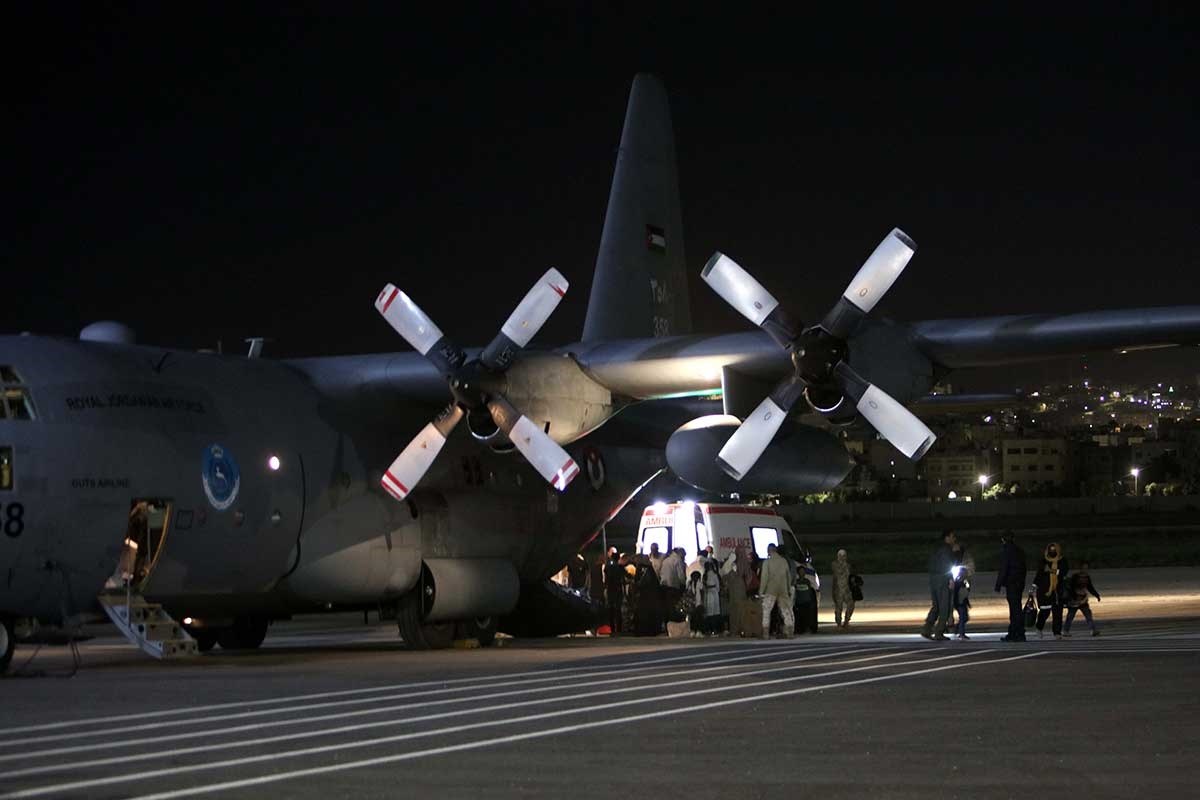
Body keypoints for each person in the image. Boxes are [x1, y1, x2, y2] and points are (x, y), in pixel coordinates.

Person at [921, 530, 956, 640]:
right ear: (947, 537)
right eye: (952, 537)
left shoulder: (936, 549)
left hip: (933, 579)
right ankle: (939, 632)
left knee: (935, 606)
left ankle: (927, 628)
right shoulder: (947, 549)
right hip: (943, 580)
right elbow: (947, 565)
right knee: (944, 607)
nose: (954, 539)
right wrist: (950, 579)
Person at [994, 531, 1028, 642]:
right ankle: (1016, 632)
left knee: (1014, 610)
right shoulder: (1019, 551)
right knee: (1016, 608)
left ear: (1003, 540)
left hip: (1012, 583)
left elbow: (1004, 568)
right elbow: (1024, 568)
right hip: (1019, 583)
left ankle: (1016, 633)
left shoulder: (1006, 551)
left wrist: (998, 584)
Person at [1033, 542, 1069, 639]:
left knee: (1057, 612)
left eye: (1054, 550)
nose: (1052, 551)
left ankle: (1057, 632)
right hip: (1044, 590)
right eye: (1051, 550)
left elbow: (1063, 572)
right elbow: (1040, 573)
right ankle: (1039, 628)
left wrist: (1051, 571)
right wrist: (1034, 585)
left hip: (1058, 589)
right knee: (1045, 611)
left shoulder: (1062, 561)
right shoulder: (1043, 560)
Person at [759, 543, 795, 639]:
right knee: (786, 611)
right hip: (783, 589)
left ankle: (765, 634)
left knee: (766, 611)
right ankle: (790, 632)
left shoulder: (767, 562)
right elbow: (788, 576)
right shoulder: (784, 561)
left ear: (769, 550)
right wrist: (788, 589)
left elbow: (764, 577)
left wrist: (761, 591)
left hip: (771, 590)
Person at [1063, 561, 1101, 637]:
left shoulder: (1087, 577)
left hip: (1083, 599)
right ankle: (1065, 631)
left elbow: (1090, 587)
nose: (1085, 569)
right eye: (1084, 568)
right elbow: (1070, 588)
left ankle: (1093, 630)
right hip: (1074, 600)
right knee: (1070, 616)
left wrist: (1096, 595)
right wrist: (1073, 599)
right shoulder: (1075, 576)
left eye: (1086, 568)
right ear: (1080, 568)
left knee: (1088, 615)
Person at [950, 541, 975, 640]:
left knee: (964, 617)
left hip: (961, 598)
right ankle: (961, 632)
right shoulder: (959, 578)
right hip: (959, 599)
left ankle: (958, 630)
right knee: (963, 616)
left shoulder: (962, 562)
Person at [831, 549, 855, 630]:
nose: (842, 557)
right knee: (838, 607)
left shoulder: (848, 565)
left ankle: (846, 621)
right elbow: (835, 576)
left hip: (847, 589)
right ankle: (838, 623)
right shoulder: (835, 564)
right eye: (841, 556)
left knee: (851, 605)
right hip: (838, 589)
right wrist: (833, 590)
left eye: (844, 555)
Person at [603, 547, 624, 635]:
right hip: (618, 589)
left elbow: (606, 576)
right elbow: (625, 575)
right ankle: (619, 629)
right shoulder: (619, 567)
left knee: (611, 609)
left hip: (610, 589)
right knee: (618, 609)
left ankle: (612, 628)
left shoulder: (608, 566)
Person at [702, 558, 722, 636]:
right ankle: (712, 628)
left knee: (711, 611)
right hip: (712, 592)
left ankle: (712, 628)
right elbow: (718, 585)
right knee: (712, 611)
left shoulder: (710, 574)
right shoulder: (712, 574)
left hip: (711, 592)